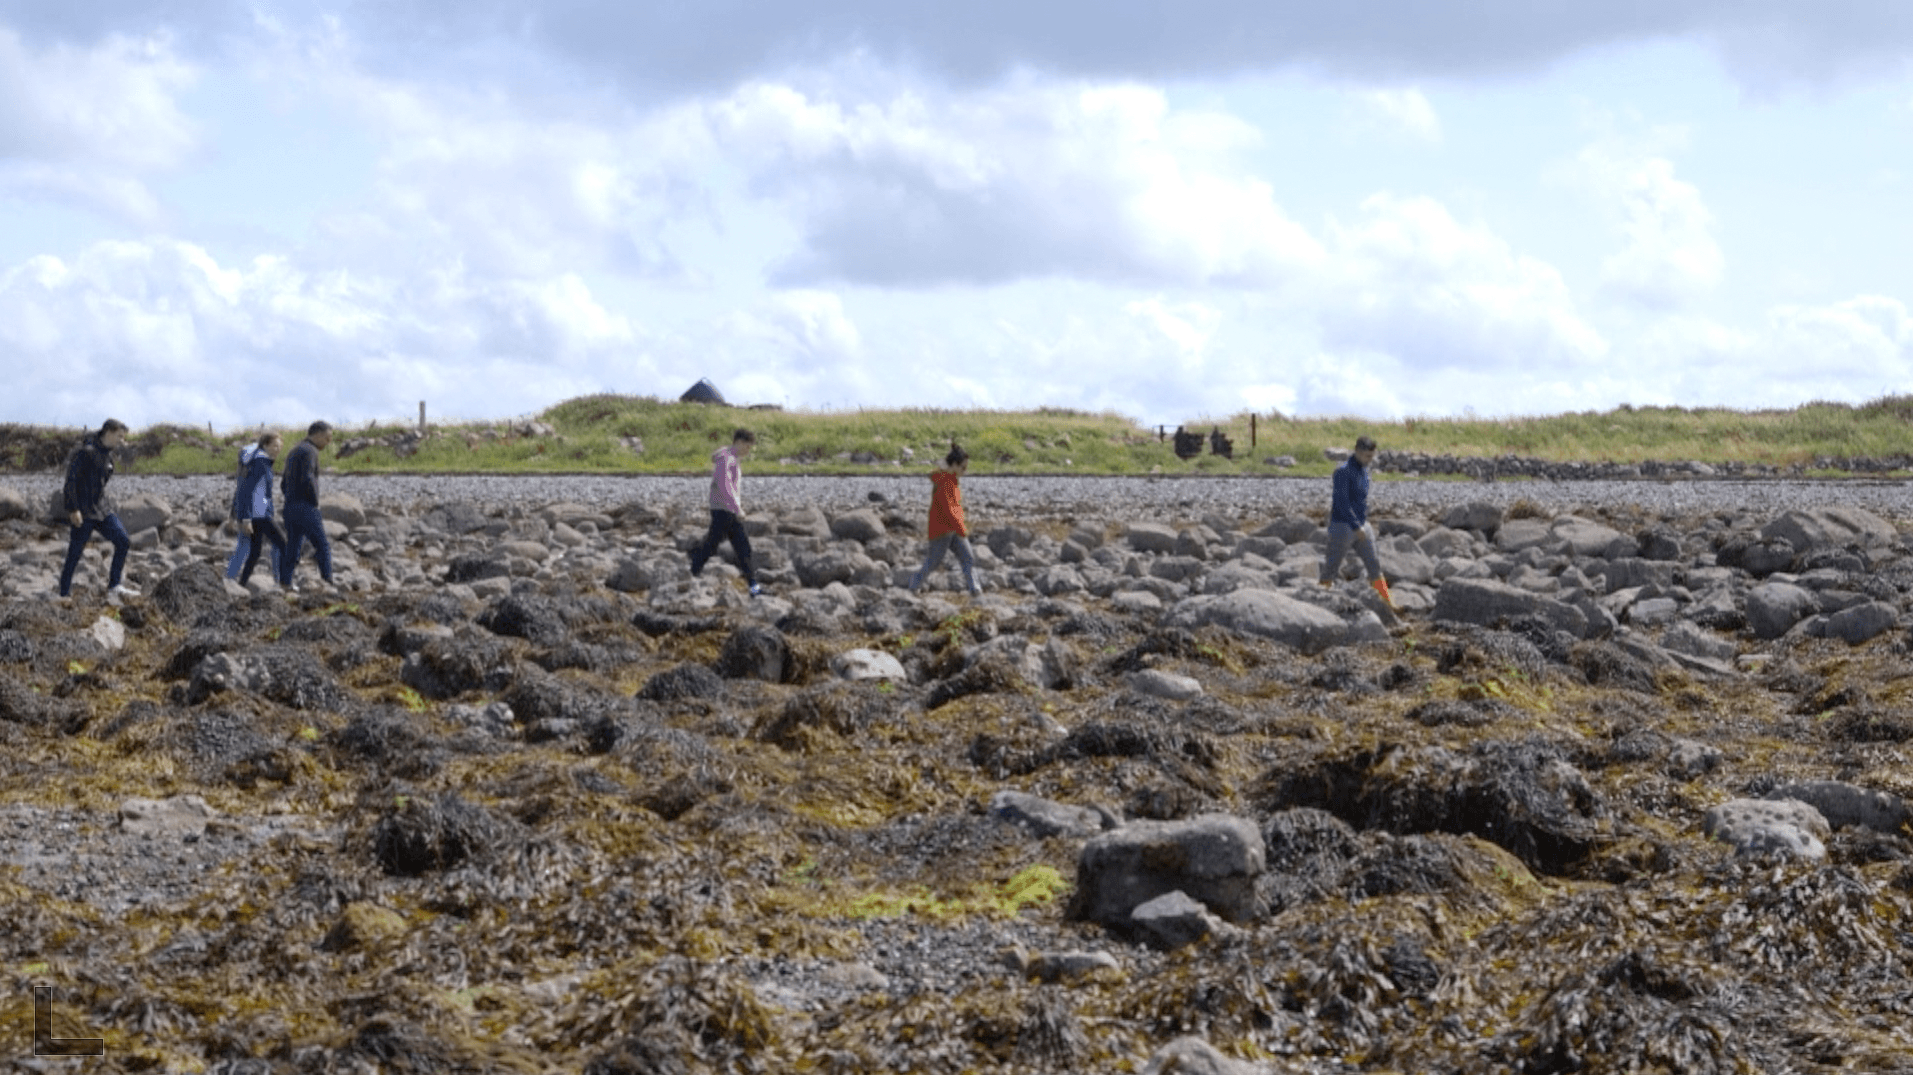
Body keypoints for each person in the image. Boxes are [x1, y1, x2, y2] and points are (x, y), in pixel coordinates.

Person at [58, 418, 137, 599]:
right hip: (83, 511)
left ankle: (114, 586)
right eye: (119, 436)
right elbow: (71, 480)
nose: (121, 441)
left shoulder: (109, 456)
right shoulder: (85, 452)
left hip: (102, 509)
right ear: (108, 432)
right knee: (75, 553)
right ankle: (63, 594)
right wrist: (73, 509)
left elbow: (102, 483)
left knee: (123, 541)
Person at [1320, 434, 1396, 610]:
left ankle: (1388, 605)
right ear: (1357, 452)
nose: (1370, 460)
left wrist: (1363, 522)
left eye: (1372, 456)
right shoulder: (1343, 472)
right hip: (1342, 526)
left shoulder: (1364, 471)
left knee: (1374, 564)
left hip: (1362, 524)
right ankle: (1320, 603)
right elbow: (1342, 502)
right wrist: (1356, 525)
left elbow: (1361, 501)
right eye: (1367, 456)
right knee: (1331, 567)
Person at [689, 428, 761, 596]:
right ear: (739, 442)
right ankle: (691, 574)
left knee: (741, 549)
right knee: (713, 546)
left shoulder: (731, 458)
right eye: (748, 447)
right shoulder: (726, 458)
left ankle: (754, 588)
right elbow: (724, 485)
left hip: (727, 510)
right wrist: (738, 508)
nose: (748, 451)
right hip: (724, 511)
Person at [907, 443, 981, 596]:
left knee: (968, 557)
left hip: (953, 528)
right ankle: (914, 584)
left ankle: (974, 588)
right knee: (933, 561)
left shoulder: (951, 480)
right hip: (942, 530)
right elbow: (950, 510)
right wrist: (962, 529)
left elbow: (954, 509)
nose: (965, 472)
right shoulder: (945, 483)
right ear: (954, 465)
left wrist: (959, 527)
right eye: (963, 468)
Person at [278, 421, 334, 591]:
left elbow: (283, 483)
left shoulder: (294, 450)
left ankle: (285, 582)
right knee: (322, 546)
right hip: (306, 507)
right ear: (316, 435)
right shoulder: (310, 451)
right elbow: (309, 478)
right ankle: (328, 582)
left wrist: (291, 498)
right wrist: (314, 501)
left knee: (293, 546)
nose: (328, 443)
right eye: (327, 438)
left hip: (290, 507)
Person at [232, 432, 289, 586]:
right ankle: (285, 583)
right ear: (265, 445)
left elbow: (262, 492)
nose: (278, 450)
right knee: (284, 545)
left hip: (259, 513)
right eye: (275, 446)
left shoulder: (262, 462)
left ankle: (242, 584)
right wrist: (245, 518)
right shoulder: (260, 464)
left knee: (255, 552)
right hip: (260, 515)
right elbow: (246, 491)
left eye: (280, 447)